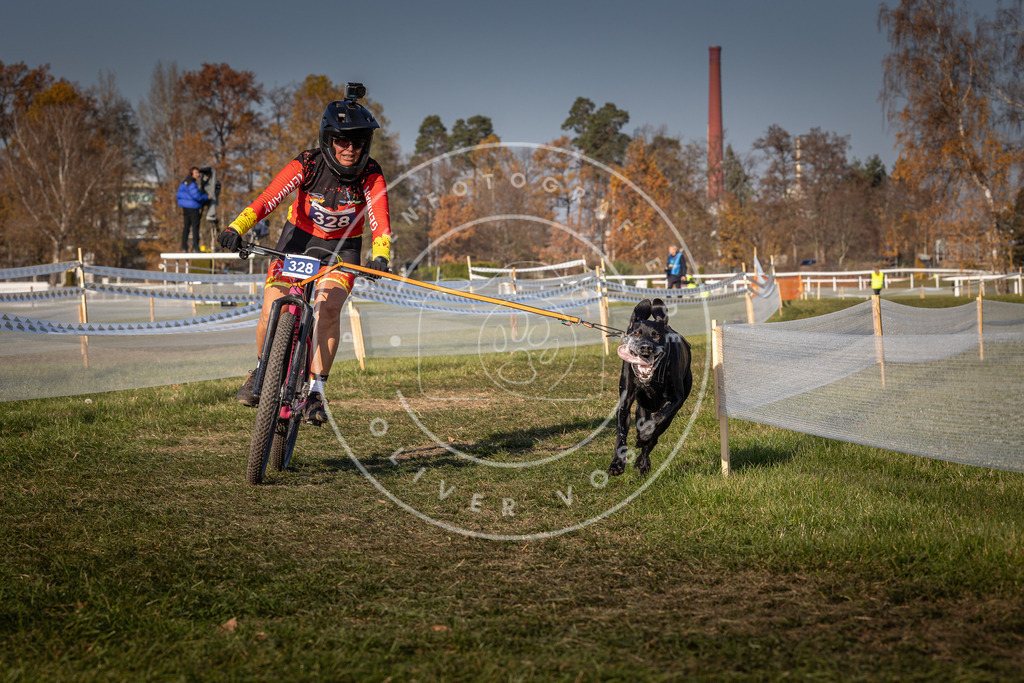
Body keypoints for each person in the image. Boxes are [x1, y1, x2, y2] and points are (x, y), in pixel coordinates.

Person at [217, 86, 391, 425]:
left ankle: (315, 393)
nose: (350, 149)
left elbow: (380, 219)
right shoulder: (308, 163)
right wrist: (237, 227)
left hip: (342, 251)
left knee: (328, 309)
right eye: (342, 140)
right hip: (296, 243)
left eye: (357, 142)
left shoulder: (371, 174)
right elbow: (268, 199)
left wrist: (380, 255)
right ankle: (261, 371)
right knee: (271, 306)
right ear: (328, 139)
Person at [176, 167, 209, 252]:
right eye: (196, 173)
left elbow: (179, 195)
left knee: (186, 227)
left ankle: (184, 247)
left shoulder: (183, 182)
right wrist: (206, 197)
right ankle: (195, 247)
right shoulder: (192, 184)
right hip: (193, 208)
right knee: (195, 228)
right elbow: (197, 196)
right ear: (192, 173)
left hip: (185, 208)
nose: (198, 175)